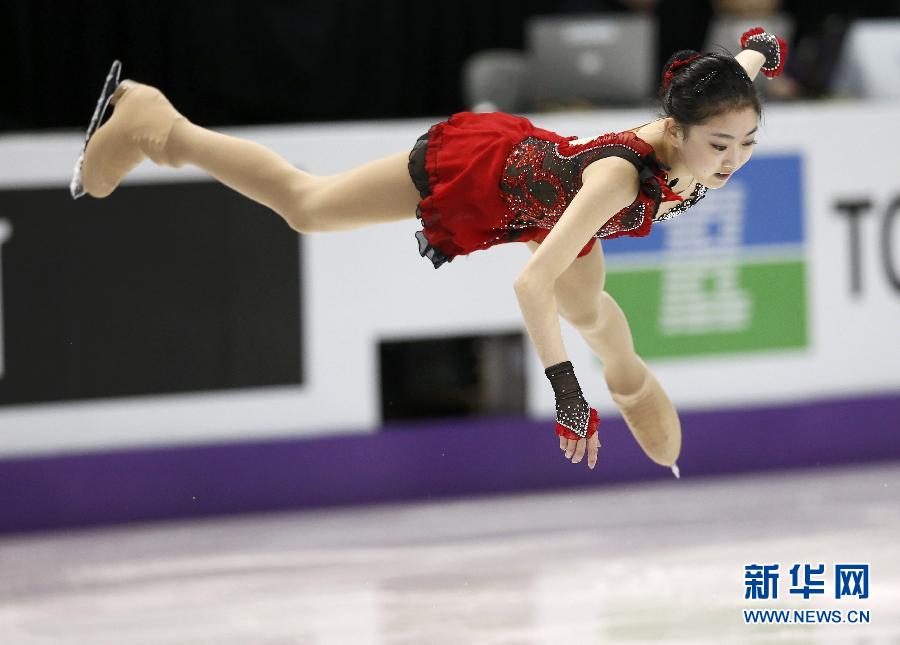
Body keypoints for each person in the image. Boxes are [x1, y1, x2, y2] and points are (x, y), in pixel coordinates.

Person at [70, 28, 787, 477]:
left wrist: (760, 49)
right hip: (485, 175)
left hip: (549, 208)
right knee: (308, 206)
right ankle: (157, 125)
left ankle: (628, 375)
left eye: (746, 145)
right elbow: (530, 285)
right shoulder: (619, 177)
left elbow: (741, 69)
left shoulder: (716, 106)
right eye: (718, 146)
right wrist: (567, 392)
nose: (730, 161)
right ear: (674, 127)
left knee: (594, 311)